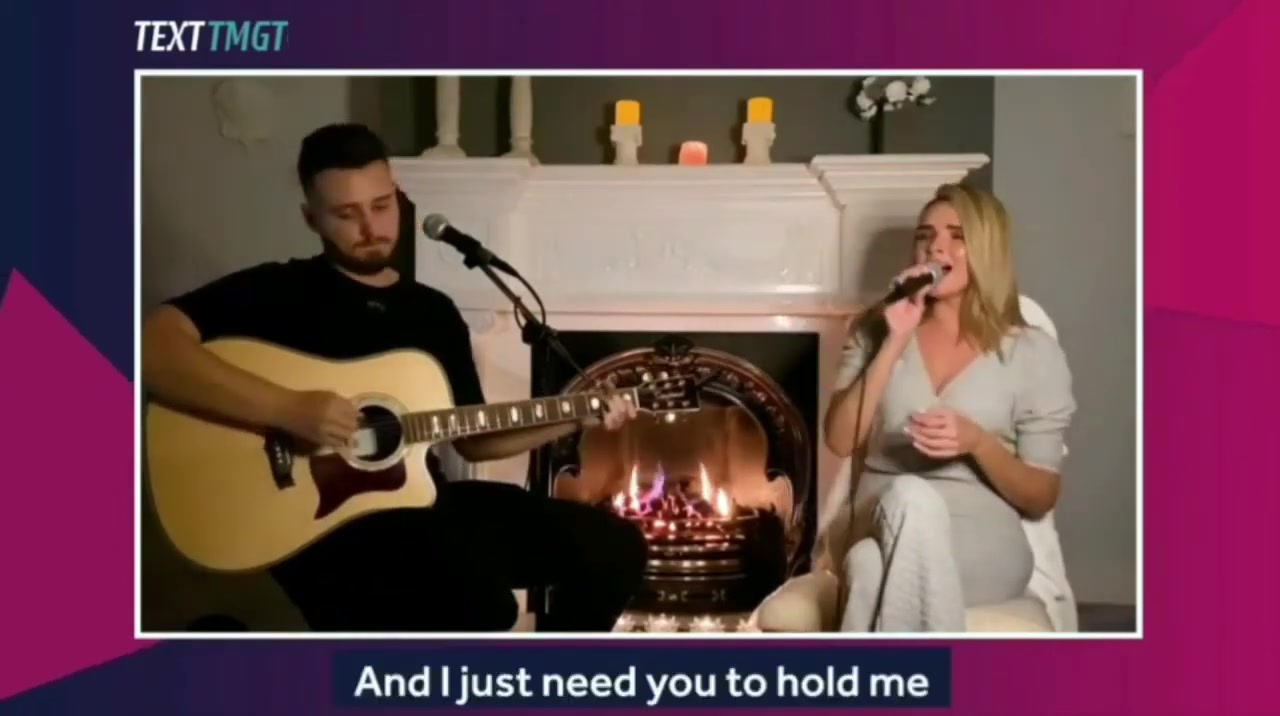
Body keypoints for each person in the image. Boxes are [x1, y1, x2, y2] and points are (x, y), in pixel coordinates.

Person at [141, 123, 648, 632]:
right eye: (346, 214)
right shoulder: (280, 290)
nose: (371, 227)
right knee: (480, 606)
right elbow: (152, 348)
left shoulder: (432, 312)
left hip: (420, 501)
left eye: (381, 206)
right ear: (311, 218)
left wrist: (574, 416)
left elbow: (475, 441)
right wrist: (288, 410)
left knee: (612, 547)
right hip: (325, 525)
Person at [819, 183, 1076, 632]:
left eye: (957, 236)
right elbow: (840, 440)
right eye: (926, 235)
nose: (936, 247)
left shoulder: (1033, 353)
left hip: (981, 545)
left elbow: (1040, 496)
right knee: (908, 498)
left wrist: (978, 443)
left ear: (988, 251)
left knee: (867, 570)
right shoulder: (875, 329)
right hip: (880, 520)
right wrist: (894, 341)